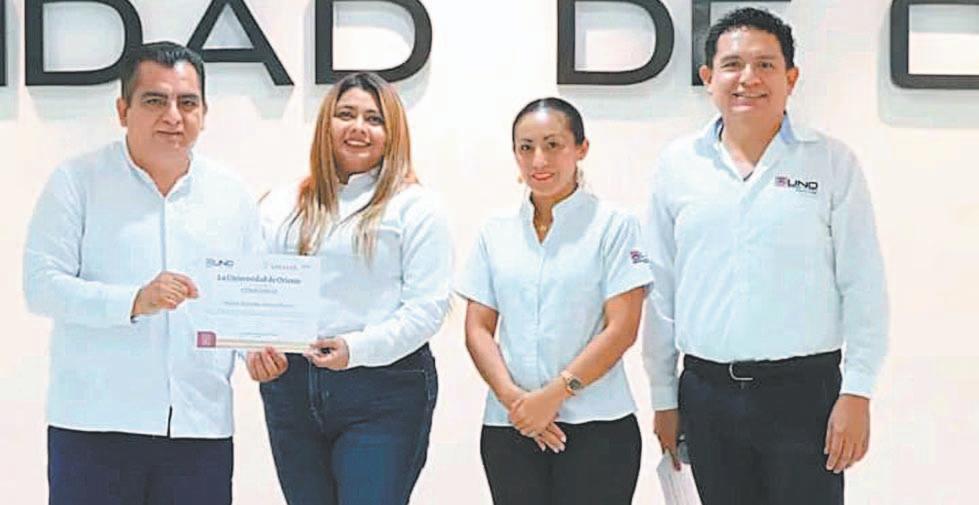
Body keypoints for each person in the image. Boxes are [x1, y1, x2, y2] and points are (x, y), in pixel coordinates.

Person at [642, 8, 889, 505]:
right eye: (732, 65)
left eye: (765, 65)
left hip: (805, 394)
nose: (748, 78)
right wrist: (664, 397)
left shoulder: (831, 163)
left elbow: (863, 284)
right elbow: (661, 291)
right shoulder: (677, 166)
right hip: (706, 394)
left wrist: (857, 392)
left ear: (790, 78)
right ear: (708, 77)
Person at [22, 42, 261, 505]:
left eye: (187, 102)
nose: (173, 116)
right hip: (94, 426)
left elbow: (243, 299)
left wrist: (257, 352)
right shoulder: (77, 182)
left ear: (204, 113)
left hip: (199, 428)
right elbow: (41, 286)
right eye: (155, 100)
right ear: (122, 110)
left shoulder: (232, 195)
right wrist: (133, 301)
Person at [252, 72, 451, 505]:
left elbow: (426, 310)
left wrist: (355, 349)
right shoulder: (280, 204)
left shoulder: (416, 207)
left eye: (374, 119)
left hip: (384, 390)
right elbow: (251, 293)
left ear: (392, 132)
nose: (358, 127)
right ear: (326, 123)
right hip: (291, 388)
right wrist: (251, 352)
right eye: (346, 114)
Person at [457, 97, 652, 505]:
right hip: (510, 427)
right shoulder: (495, 231)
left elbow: (622, 329)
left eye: (553, 145)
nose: (539, 160)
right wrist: (517, 402)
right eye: (526, 147)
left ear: (581, 148)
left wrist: (552, 397)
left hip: (598, 427)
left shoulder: (614, 226)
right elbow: (477, 328)